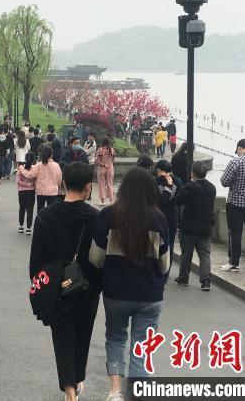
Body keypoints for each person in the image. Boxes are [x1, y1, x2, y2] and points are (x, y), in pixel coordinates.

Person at [89, 168, 170, 396]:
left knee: (115, 339)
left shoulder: (108, 216)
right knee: (141, 347)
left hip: (116, 292)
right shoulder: (158, 219)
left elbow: (95, 258)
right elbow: (165, 265)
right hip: (150, 295)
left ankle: (115, 391)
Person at [29, 162, 100, 401]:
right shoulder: (96, 218)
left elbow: (36, 261)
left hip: (56, 289)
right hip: (87, 289)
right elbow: (101, 259)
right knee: (82, 337)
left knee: (62, 339)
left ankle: (70, 389)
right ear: (89, 187)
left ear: (64, 183)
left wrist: (42, 287)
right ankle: (76, 381)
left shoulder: (45, 216)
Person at [172, 161, 217, 290]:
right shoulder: (212, 188)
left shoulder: (188, 187)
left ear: (192, 173)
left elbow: (177, 201)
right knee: (204, 254)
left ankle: (183, 277)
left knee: (186, 254)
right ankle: (206, 281)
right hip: (205, 226)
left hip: (189, 227)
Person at [220, 139, 245, 272]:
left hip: (235, 203)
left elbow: (224, 182)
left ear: (239, 148)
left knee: (235, 233)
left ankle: (234, 263)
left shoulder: (235, 162)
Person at [155, 159, 182, 249]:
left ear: (159, 170)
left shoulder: (156, 181)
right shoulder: (178, 181)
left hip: (158, 214)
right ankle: (169, 258)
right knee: (170, 242)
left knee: (158, 243)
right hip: (173, 214)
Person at [29, 146, 62, 212]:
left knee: (40, 209)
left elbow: (31, 175)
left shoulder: (38, 165)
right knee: (52, 211)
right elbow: (59, 179)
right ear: (51, 154)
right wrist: (58, 187)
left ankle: (40, 219)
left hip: (41, 190)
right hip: (53, 191)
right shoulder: (56, 165)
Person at [16, 152, 36, 234]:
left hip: (22, 191)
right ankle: (28, 228)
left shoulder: (20, 168)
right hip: (31, 191)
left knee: (22, 208)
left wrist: (25, 184)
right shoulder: (35, 169)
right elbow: (36, 180)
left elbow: (18, 181)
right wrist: (30, 184)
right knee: (30, 209)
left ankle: (21, 226)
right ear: (33, 160)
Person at [95, 137, 116, 205]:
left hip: (102, 168)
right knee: (110, 184)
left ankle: (102, 201)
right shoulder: (112, 150)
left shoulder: (100, 149)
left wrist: (103, 165)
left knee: (101, 184)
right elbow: (113, 160)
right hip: (110, 168)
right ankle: (111, 200)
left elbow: (97, 161)